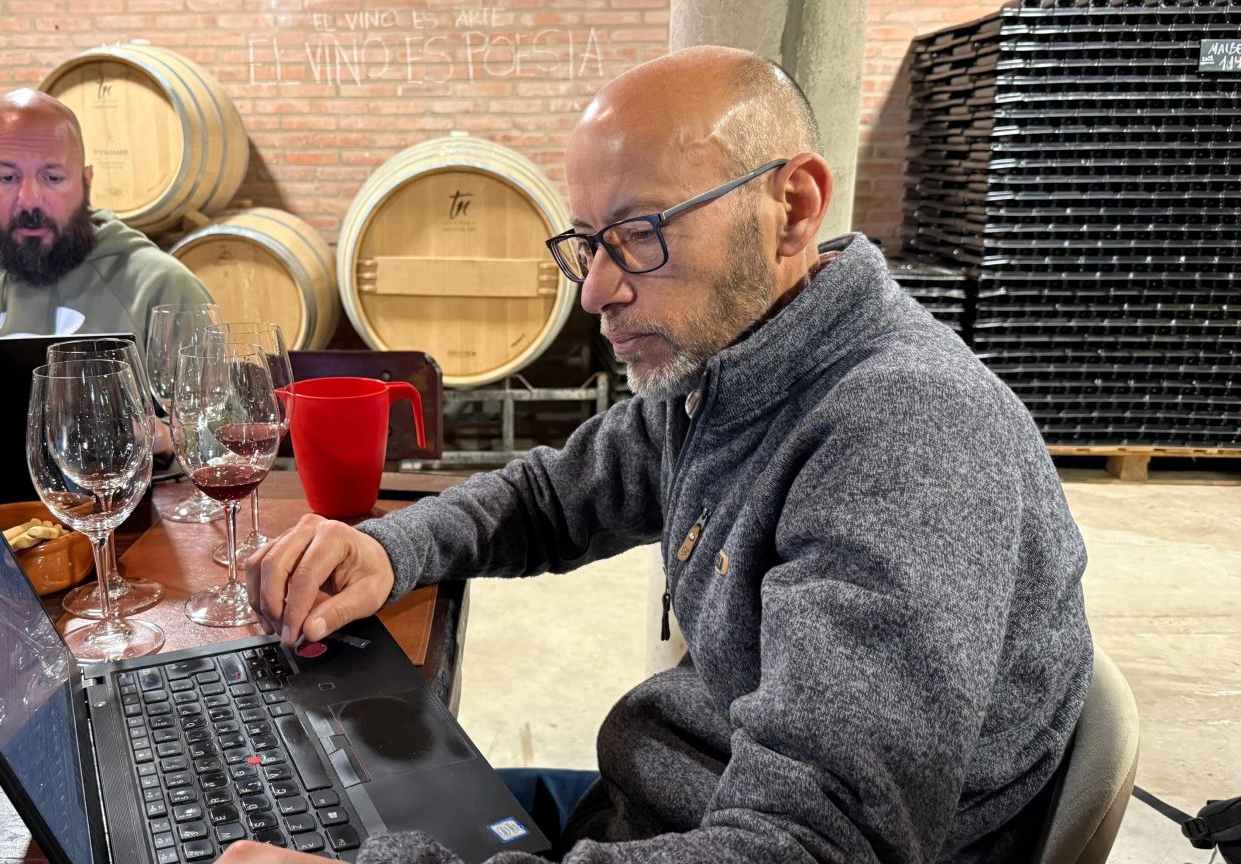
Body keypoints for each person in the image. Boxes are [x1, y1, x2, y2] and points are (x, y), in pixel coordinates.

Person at [229, 46, 1093, 864]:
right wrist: (390, 548)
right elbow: (551, 497)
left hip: (706, 833)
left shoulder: (907, 439)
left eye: (639, 233)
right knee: (289, 792)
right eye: (588, 242)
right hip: (659, 800)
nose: (596, 292)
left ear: (792, 209)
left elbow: (813, 847)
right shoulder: (732, 368)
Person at [0, 89, 211, 344]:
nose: (29, 200)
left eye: (53, 178)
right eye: (7, 177)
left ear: (86, 181)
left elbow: (208, 395)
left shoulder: (162, 291)